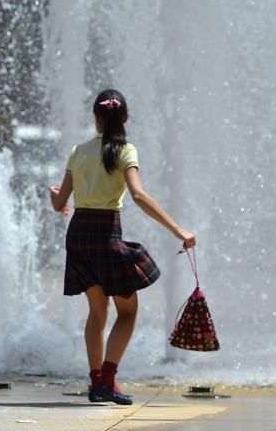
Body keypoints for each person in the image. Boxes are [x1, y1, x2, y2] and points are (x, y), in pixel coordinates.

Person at [49, 89, 195, 405]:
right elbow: (139, 196)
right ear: (125, 118)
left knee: (97, 311)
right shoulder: (124, 151)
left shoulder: (78, 151)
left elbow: (60, 202)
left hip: (78, 234)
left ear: (97, 119)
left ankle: (95, 383)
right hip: (105, 233)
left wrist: (54, 195)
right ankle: (108, 380)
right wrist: (177, 228)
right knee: (127, 312)